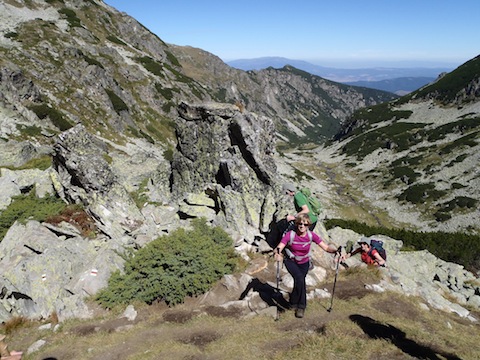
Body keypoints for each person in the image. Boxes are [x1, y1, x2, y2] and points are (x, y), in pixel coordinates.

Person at [274, 213, 338, 318]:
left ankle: (293, 303)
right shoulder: (290, 234)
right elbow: (280, 246)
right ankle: (301, 306)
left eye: (305, 224)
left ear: (308, 225)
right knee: (300, 279)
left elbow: (326, 248)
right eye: (299, 223)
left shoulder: (311, 235)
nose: (302, 226)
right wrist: (277, 253)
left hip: (304, 263)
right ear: (296, 224)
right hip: (291, 261)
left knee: (298, 282)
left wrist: (335, 251)